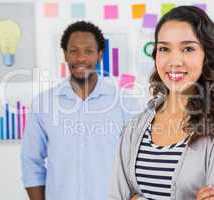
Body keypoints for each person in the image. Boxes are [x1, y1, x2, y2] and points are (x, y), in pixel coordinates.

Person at [109, 6, 214, 200]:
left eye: (188, 48)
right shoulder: (135, 128)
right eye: (164, 49)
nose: (174, 61)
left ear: (206, 55)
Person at [21, 21, 140, 200]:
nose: (81, 58)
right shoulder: (44, 104)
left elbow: (138, 160)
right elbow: (31, 162)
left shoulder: (125, 103)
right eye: (74, 50)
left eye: (89, 51)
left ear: (100, 55)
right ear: (65, 55)